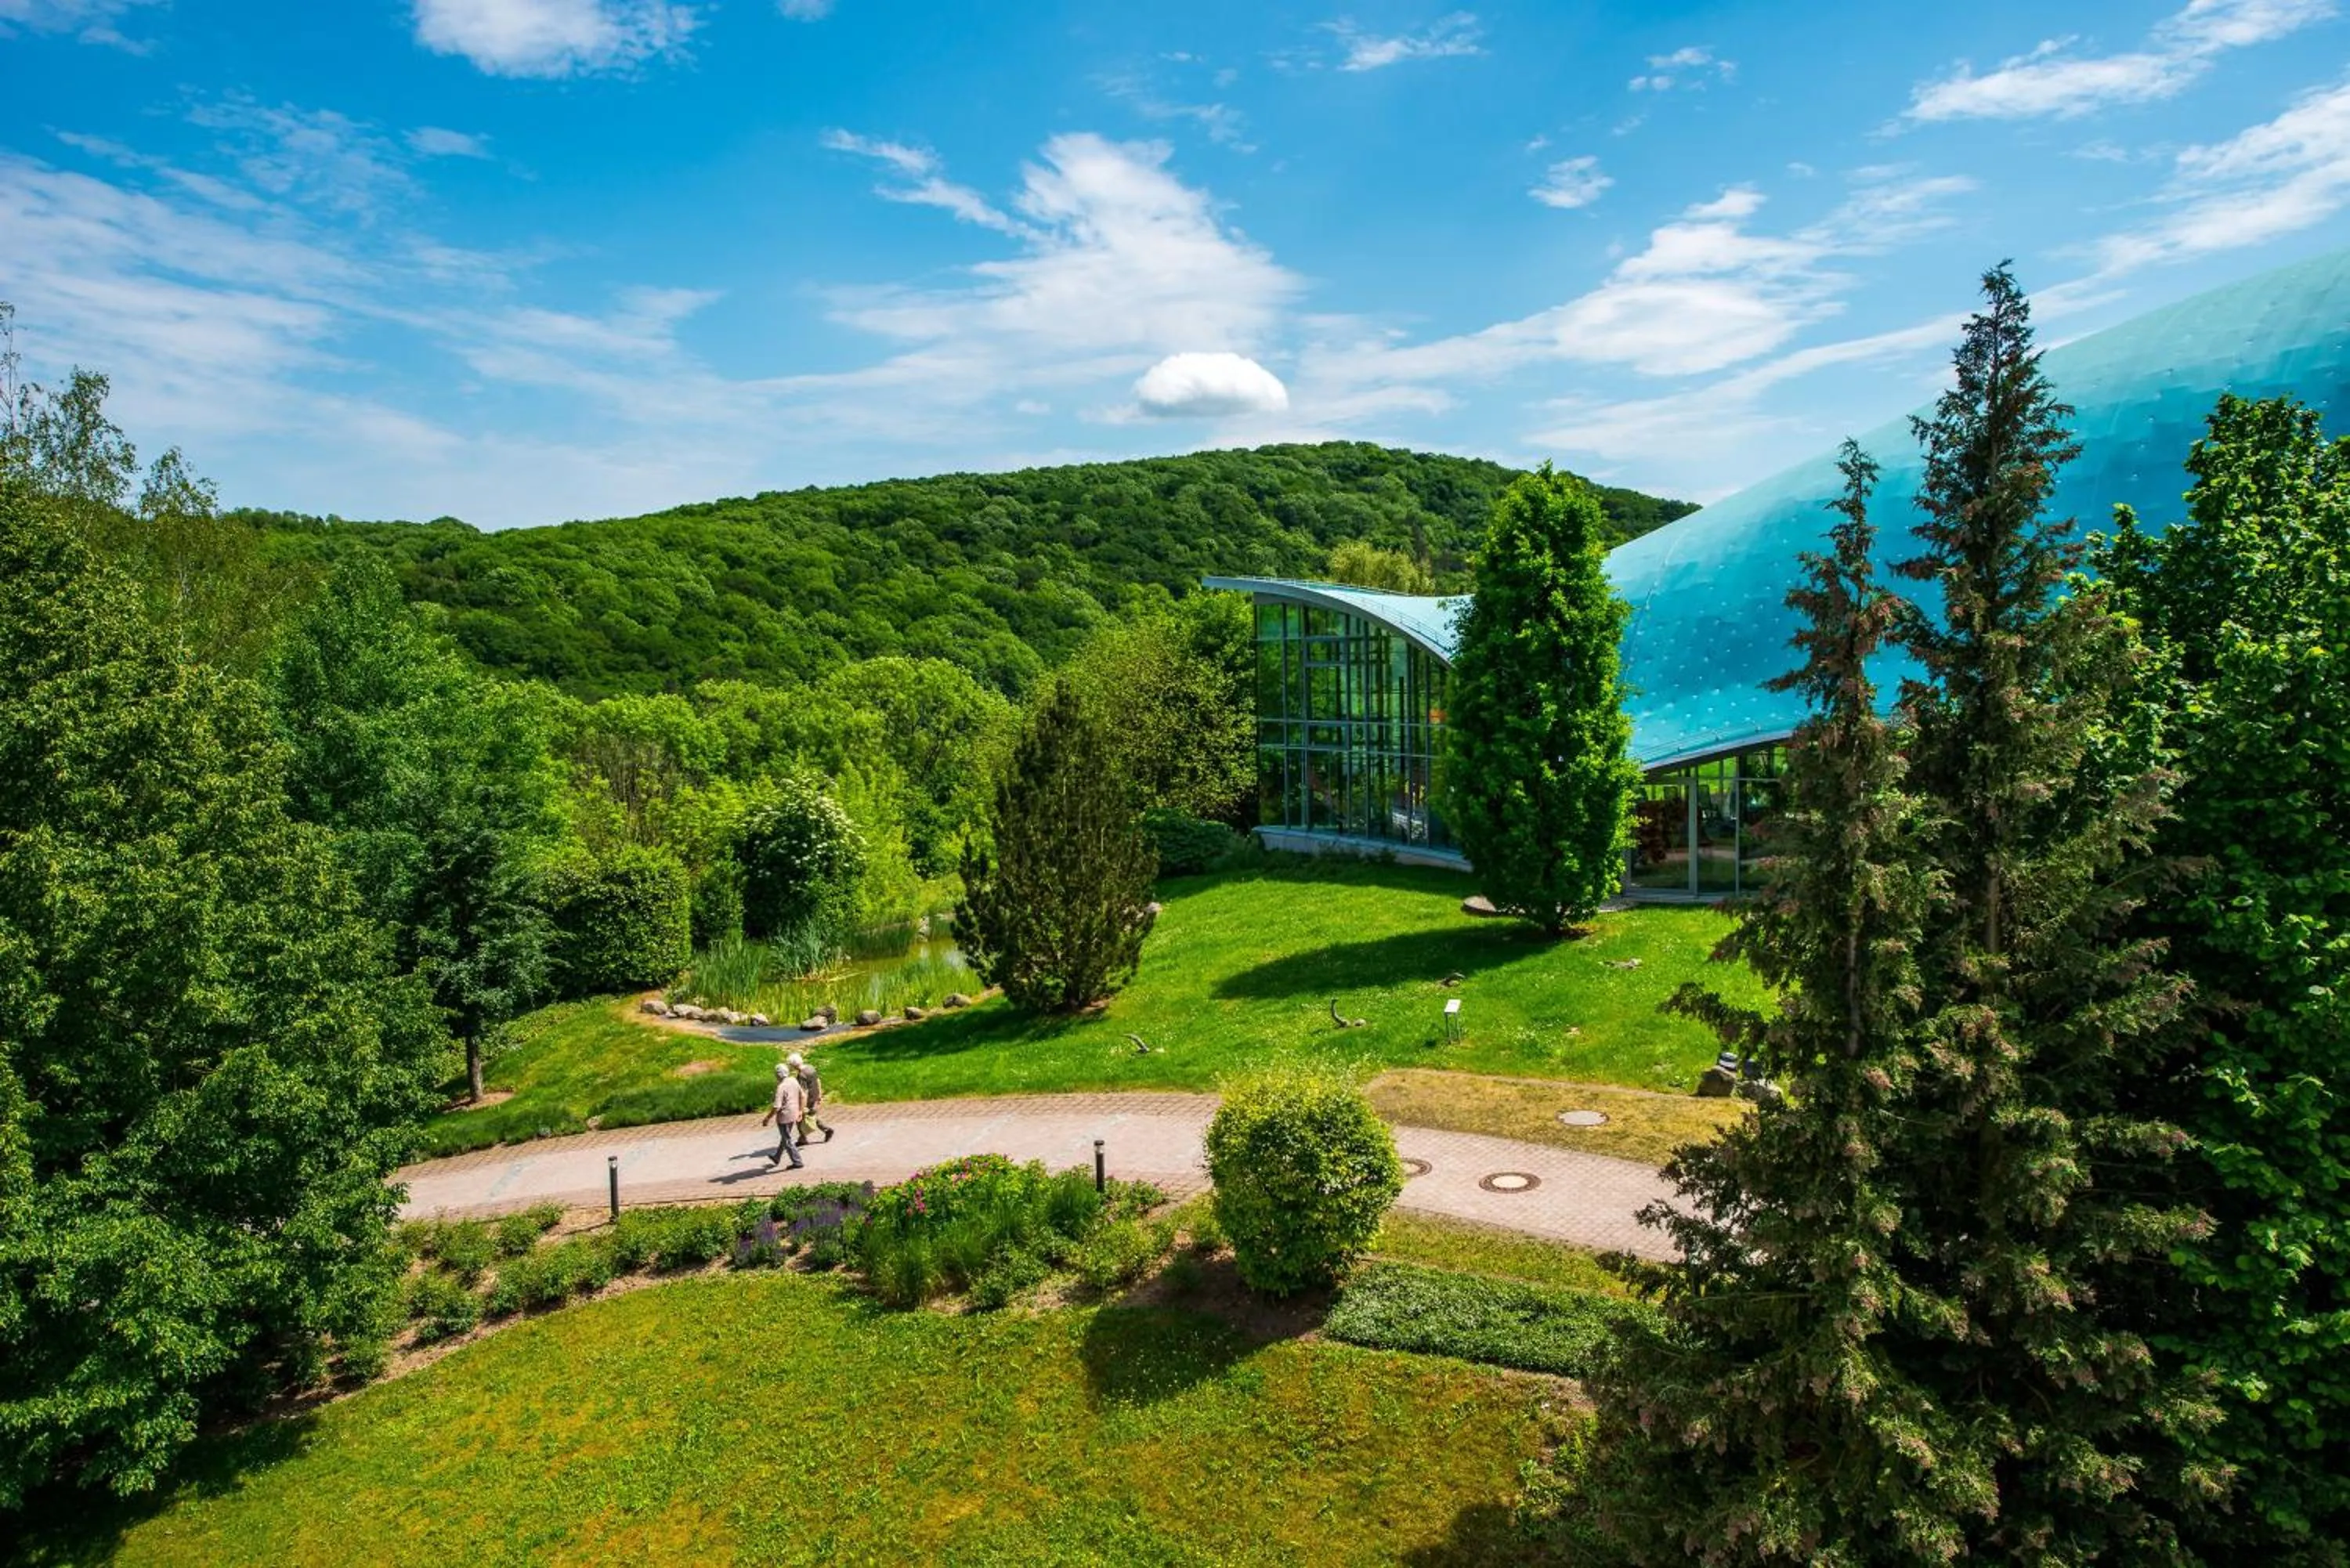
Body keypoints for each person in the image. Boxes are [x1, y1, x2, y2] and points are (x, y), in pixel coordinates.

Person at [761, 1062, 805, 1169]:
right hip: (794, 1113)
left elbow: (777, 1107)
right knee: (786, 1136)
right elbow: (802, 1096)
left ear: (778, 1075)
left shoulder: (781, 1087)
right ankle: (777, 1157)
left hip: (785, 1117)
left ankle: (797, 1162)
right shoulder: (794, 1080)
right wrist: (800, 1111)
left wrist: (767, 1118)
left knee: (787, 1140)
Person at [790, 1052, 834, 1143]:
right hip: (815, 1097)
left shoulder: (802, 1075)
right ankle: (825, 1131)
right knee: (812, 1116)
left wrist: (802, 1108)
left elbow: (804, 1093)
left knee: (800, 1118)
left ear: (793, 1065)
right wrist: (820, 1095)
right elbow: (818, 1081)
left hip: (808, 1100)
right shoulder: (811, 1068)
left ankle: (804, 1138)